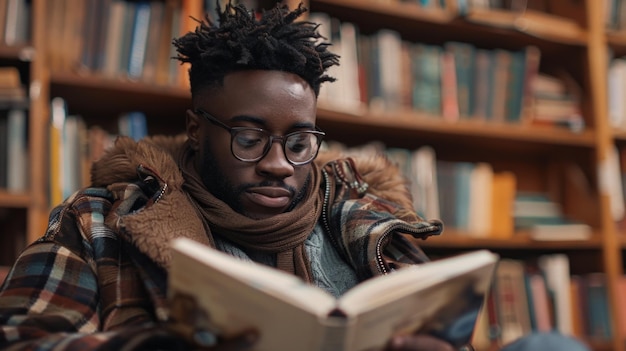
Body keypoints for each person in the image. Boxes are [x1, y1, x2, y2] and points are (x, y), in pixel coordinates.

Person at [0, 2, 591, 351]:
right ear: (197, 129)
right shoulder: (102, 218)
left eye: (300, 141)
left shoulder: (366, 218)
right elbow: (24, 338)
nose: (280, 163)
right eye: (249, 137)